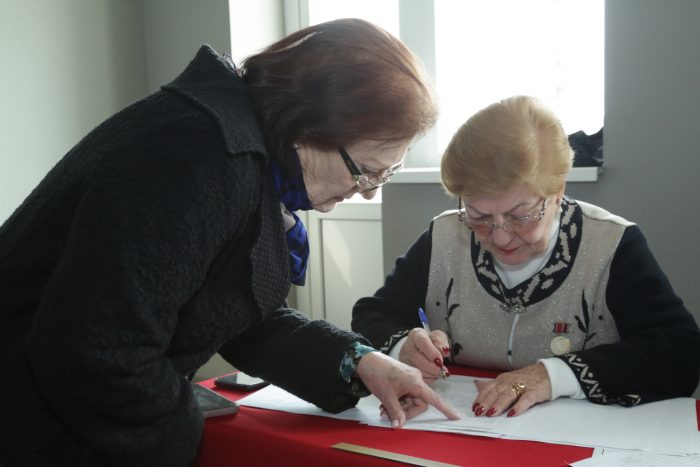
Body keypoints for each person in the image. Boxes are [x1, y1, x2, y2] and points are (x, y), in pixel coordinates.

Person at [0, 19, 459, 467]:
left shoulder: (236, 149)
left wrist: (358, 361)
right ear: (306, 126)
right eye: (366, 171)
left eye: (385, 174)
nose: (369, 192)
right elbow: (100, 352)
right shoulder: (198, 158)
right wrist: (181, 435)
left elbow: (230, 311)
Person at [352, 95, 700, 419]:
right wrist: (404, 347)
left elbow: (680, 352)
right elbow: (373, 313)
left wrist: (551, 376)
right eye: (478, 216)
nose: (500, 236)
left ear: (558, 191)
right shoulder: (443, 236)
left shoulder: (611, 244)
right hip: (460, 427)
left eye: (520, 215)